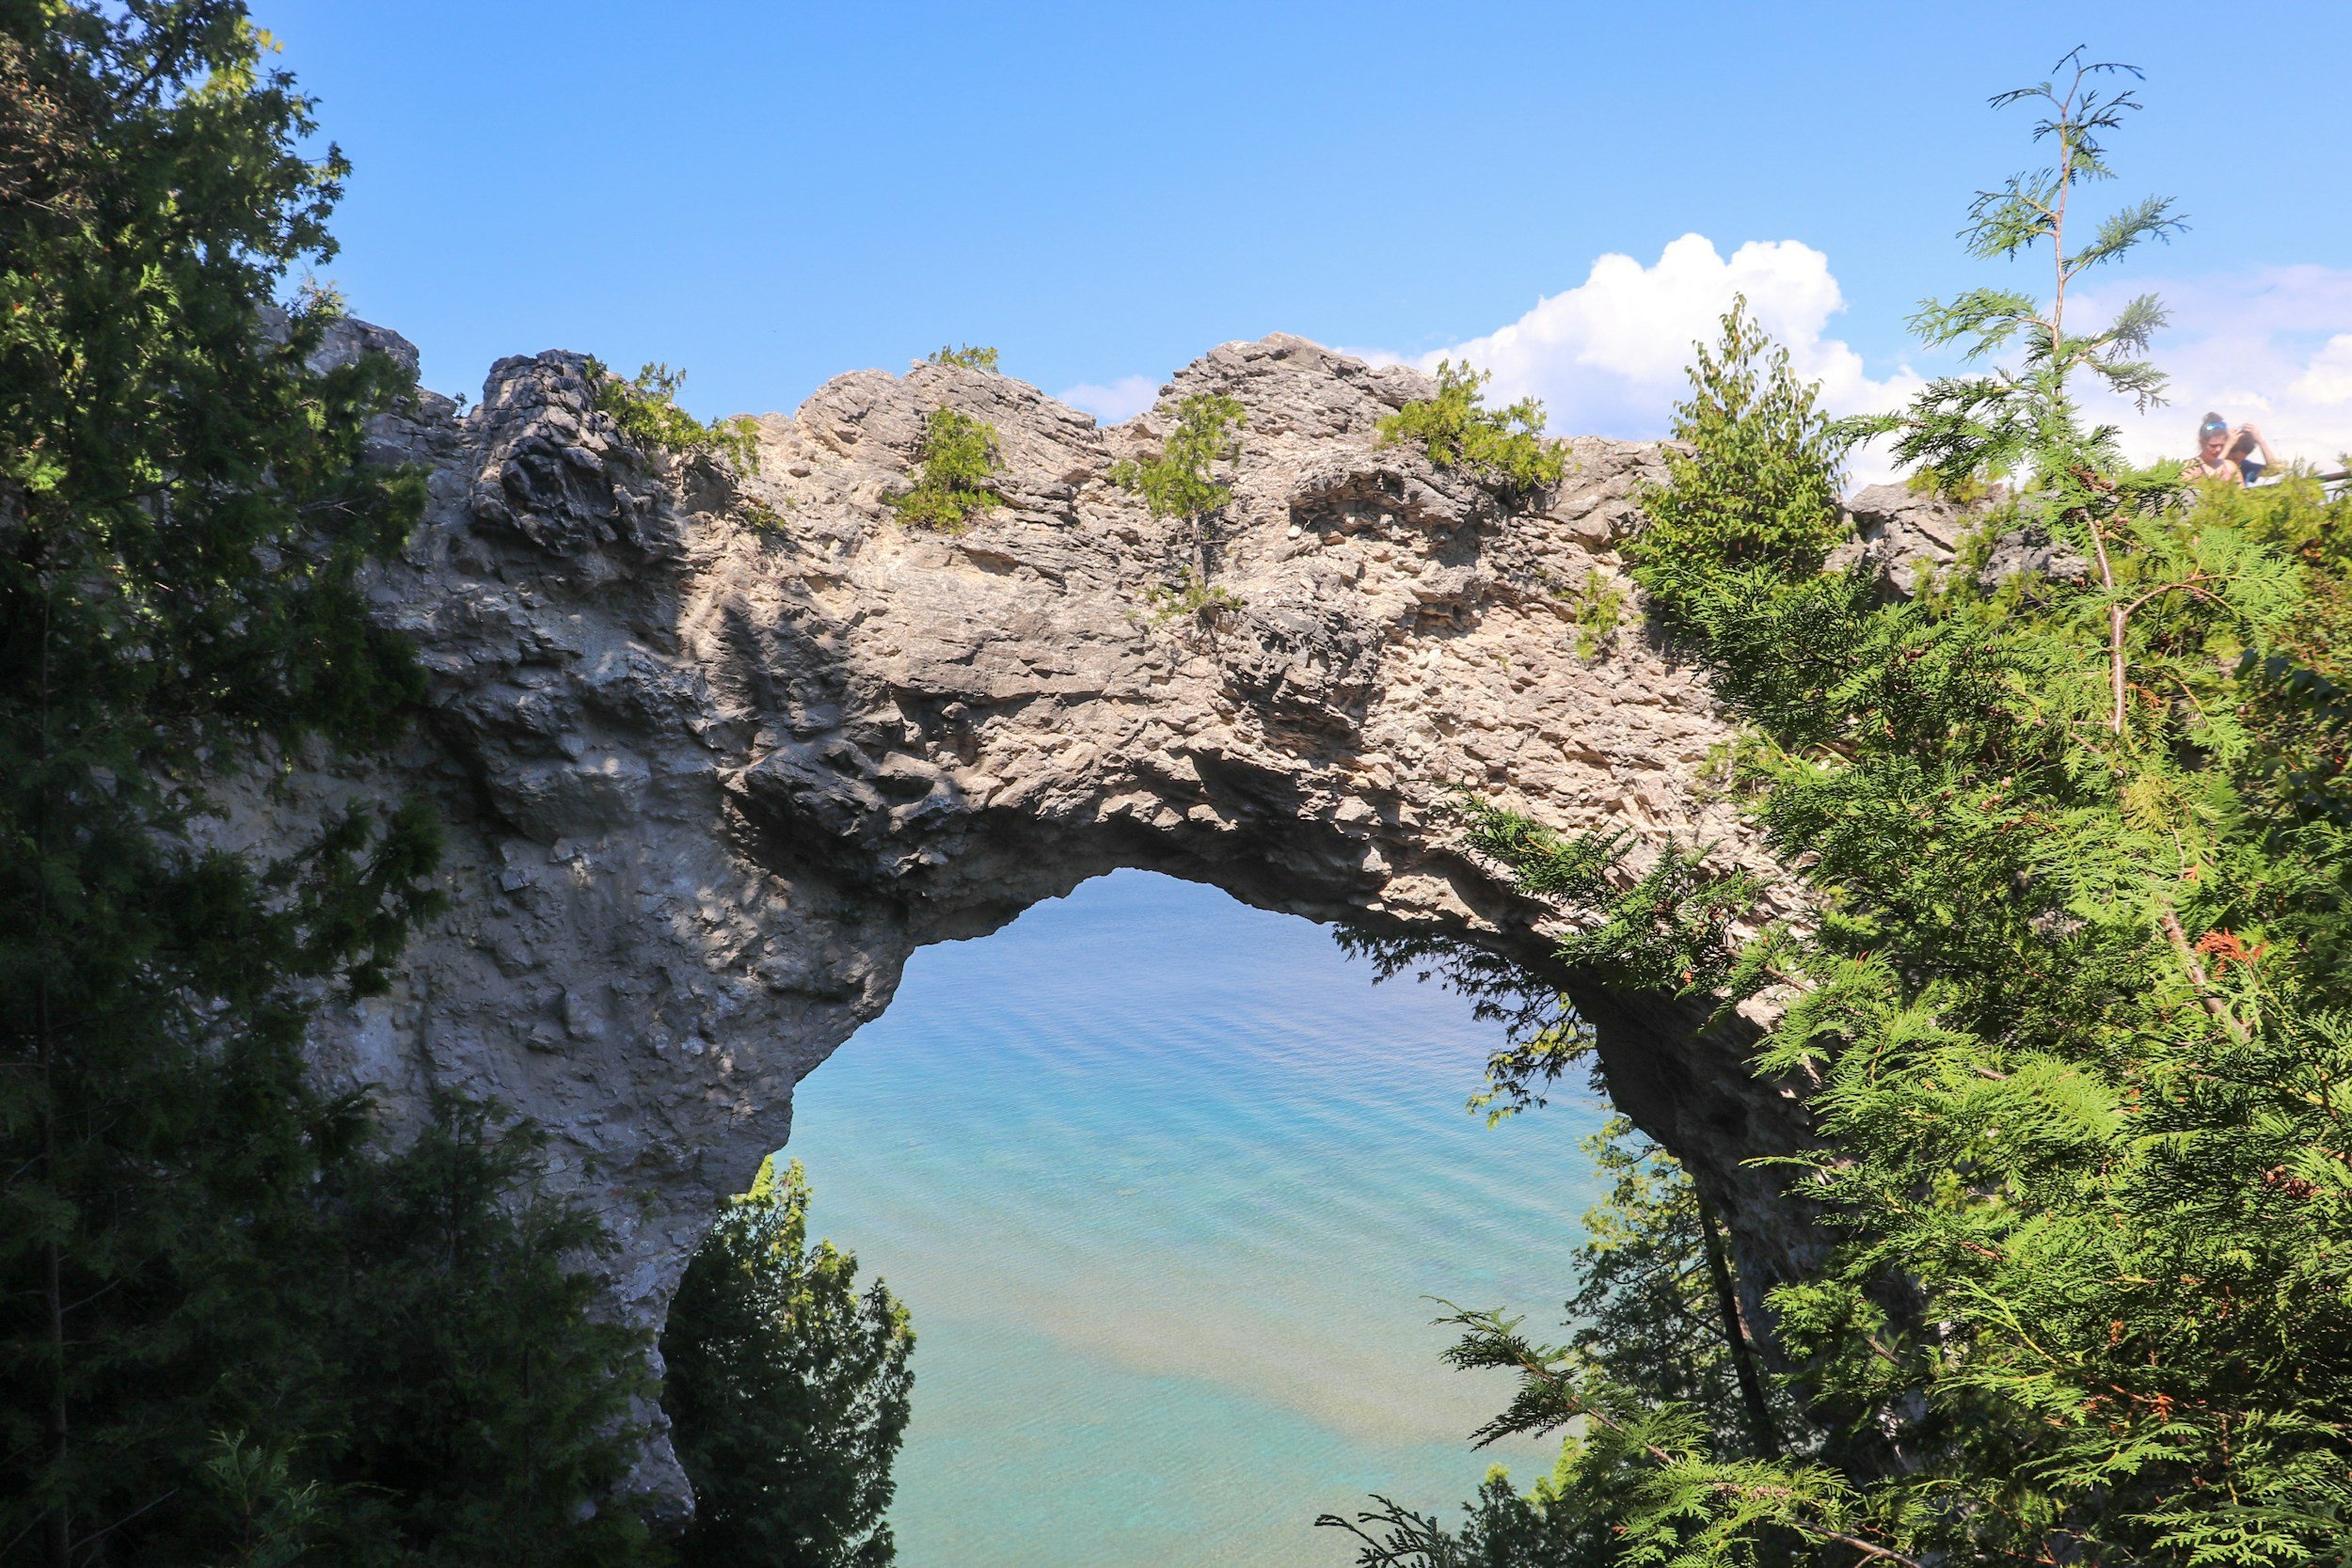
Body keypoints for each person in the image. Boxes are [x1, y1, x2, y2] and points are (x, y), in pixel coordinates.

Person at [2185, 412, 2277, 485]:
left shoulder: (2239, 466)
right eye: (2234, 458)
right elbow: (2215, 473)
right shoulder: (2192, 467)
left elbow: (2275, 470)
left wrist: (2260, 441)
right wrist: (2228, 445)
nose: (2218, 450)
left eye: (2221, 446)